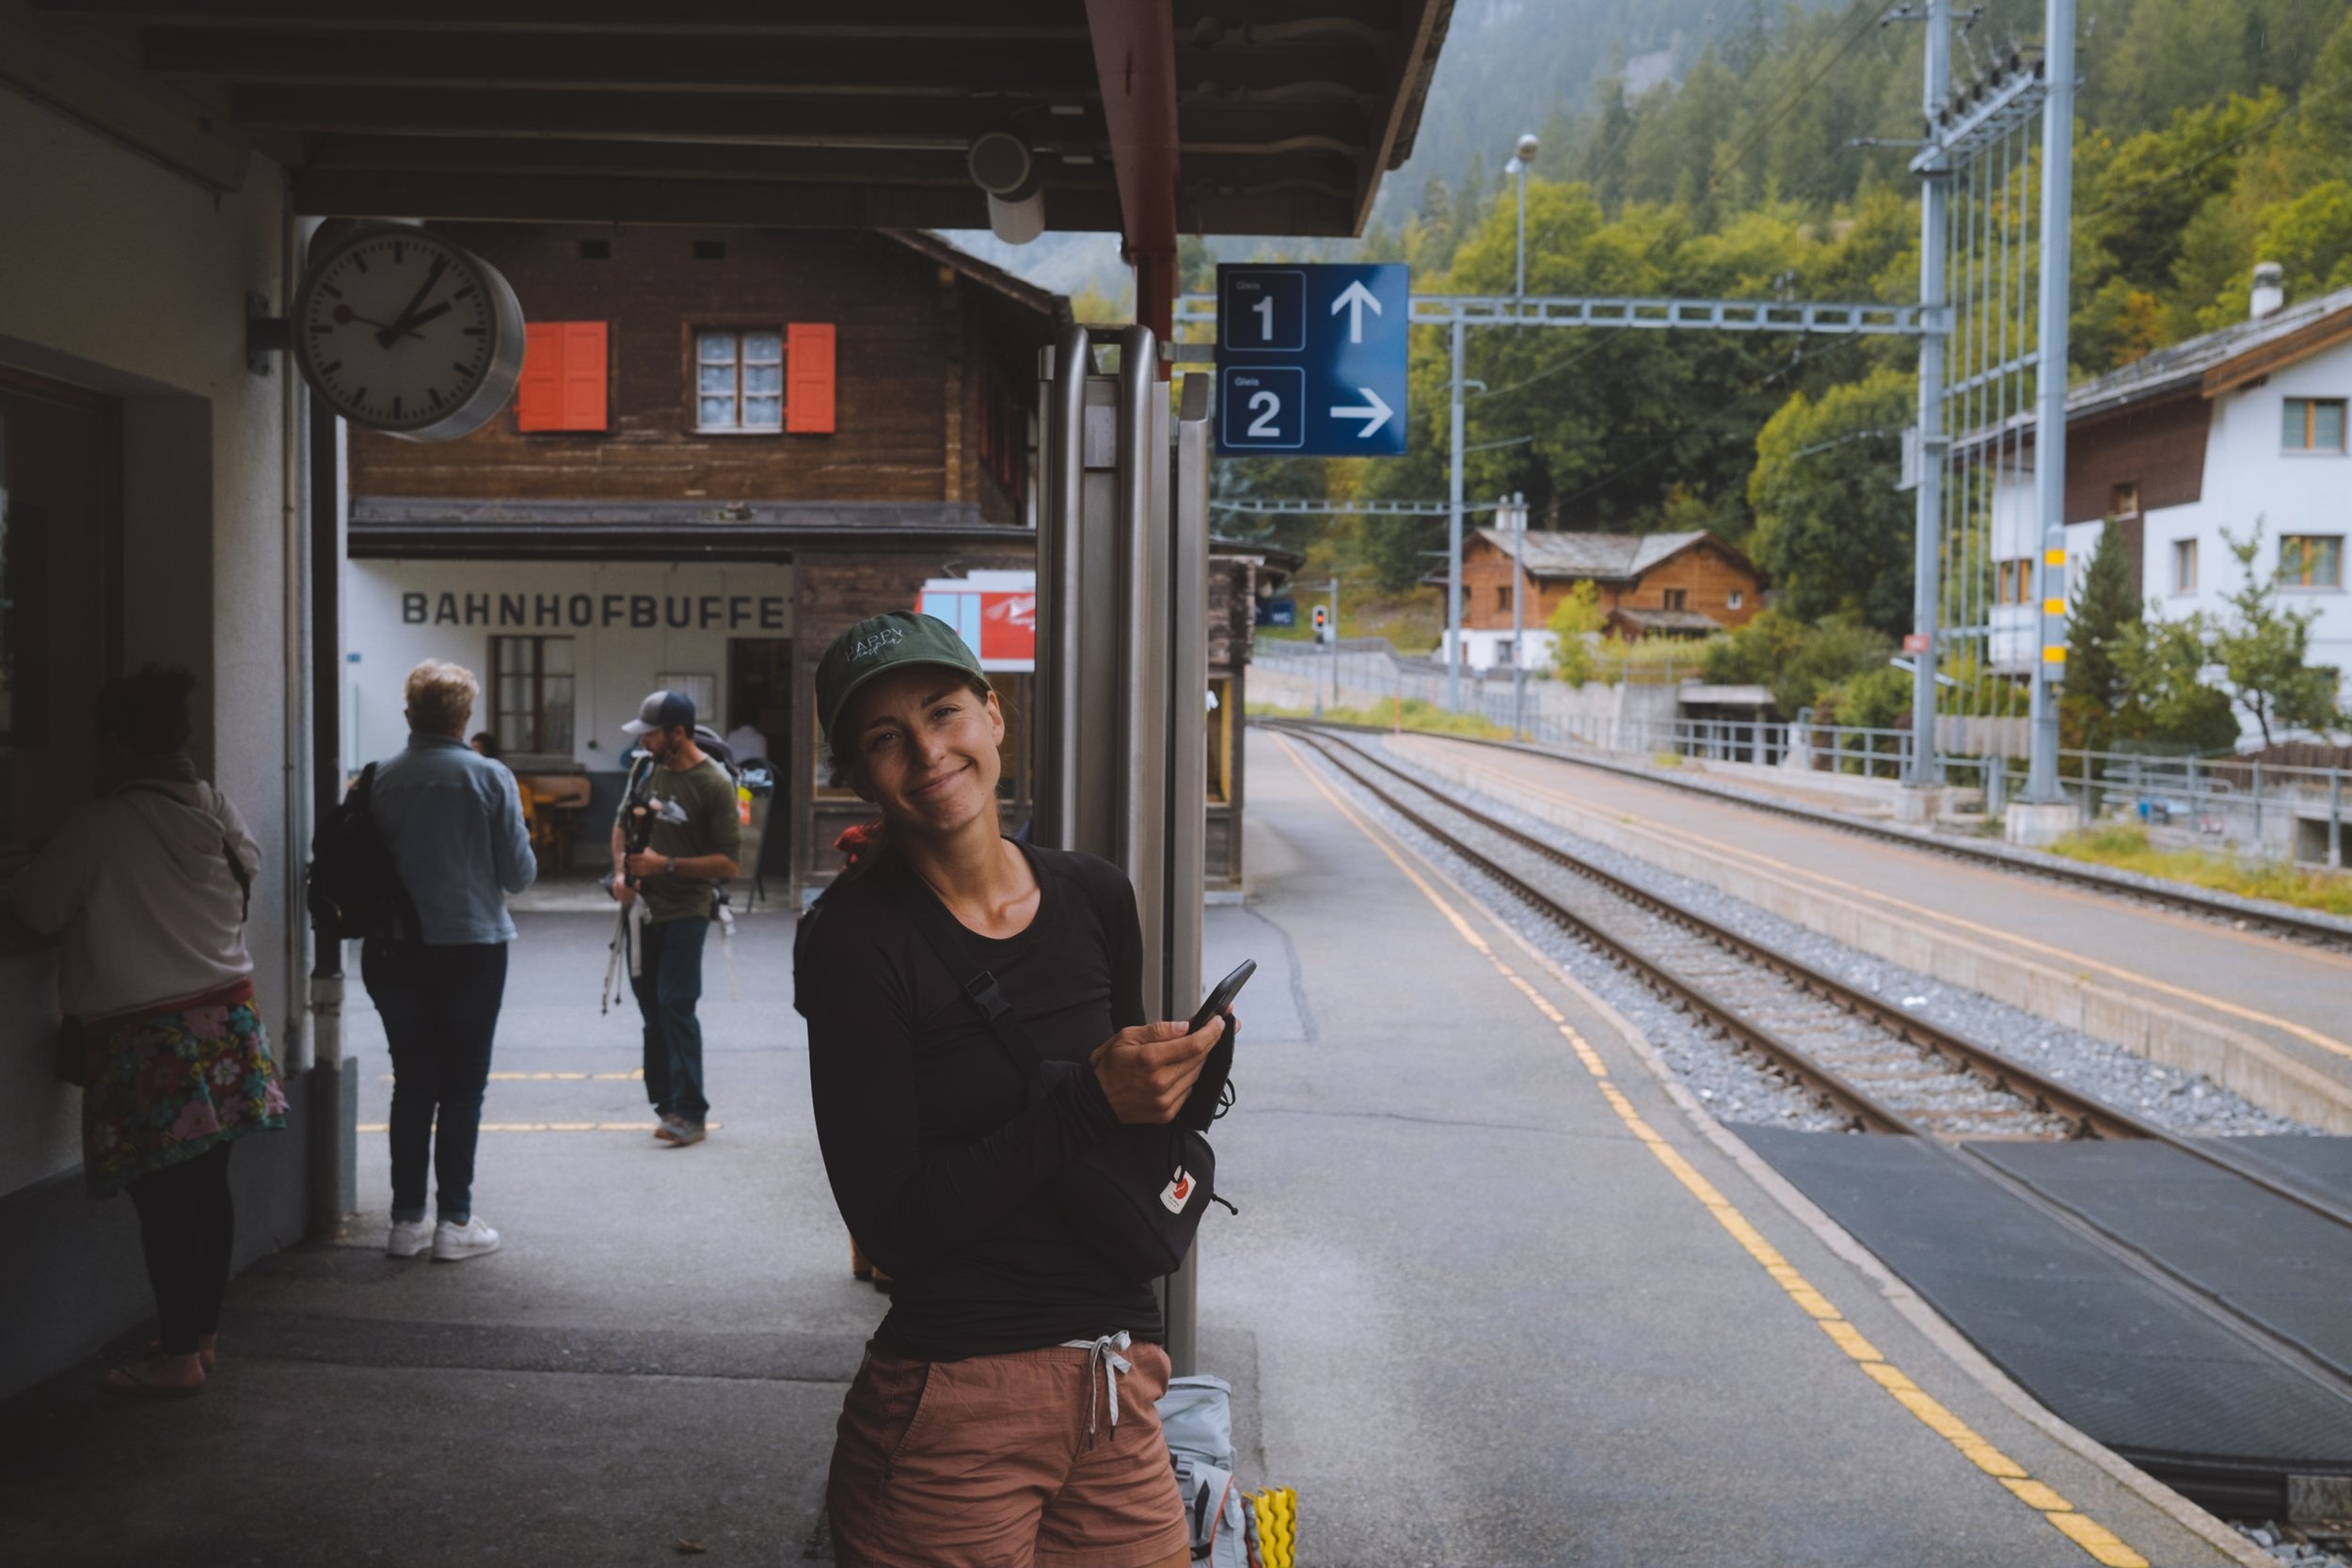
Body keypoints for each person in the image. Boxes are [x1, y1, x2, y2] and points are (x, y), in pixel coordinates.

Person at [793, 611, 1226, 1568]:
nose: (928, 750)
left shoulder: (1094, 896)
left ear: (994, 715)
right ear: (857, 774)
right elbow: (890, 1225)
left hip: (1118, 1382)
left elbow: (1119, 1137)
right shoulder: (855, 944)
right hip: (954, 1401)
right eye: (884, 737)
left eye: (945, 712)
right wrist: (1083, 1102)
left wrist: (1182, 1080)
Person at [14, 665, 285, 1395]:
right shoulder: (216, 809)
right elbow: (245, 871)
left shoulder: (95, 825)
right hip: (227, 1019)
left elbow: (35, 913)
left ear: (115, 741)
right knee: (207, 1191)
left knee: (163, 1202)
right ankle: (202, 1338)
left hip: (147, 1036)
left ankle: (176, 1357)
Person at [365, 659, 535, 1262]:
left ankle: (404, 1222)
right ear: (466, 717)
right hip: (471, 946)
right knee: (463, 1090)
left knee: (412, 1083)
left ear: (409, 714)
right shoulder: (489, 778)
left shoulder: (378, 779)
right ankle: (453, 1223)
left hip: (392, 949)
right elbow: (518, 875)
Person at [608, 689, 739, 1147]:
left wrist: (666, 866)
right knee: (651, 1011)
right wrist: (623, 873)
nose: (643, 742)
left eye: (650, 734)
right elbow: (621, 826)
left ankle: (692, 1112)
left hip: (686, 908)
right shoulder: (645, 769)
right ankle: (665, 1103)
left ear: (677, 734)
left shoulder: (714, 784)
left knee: (676, 1006)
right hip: (641, 910)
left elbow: (728, 864)